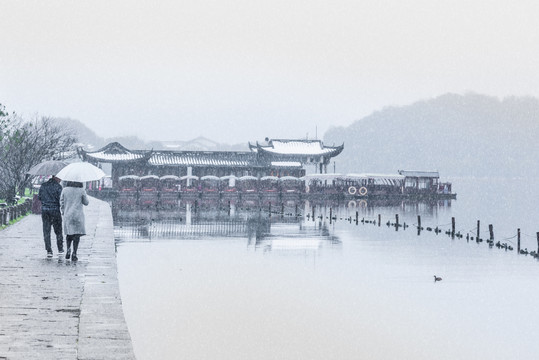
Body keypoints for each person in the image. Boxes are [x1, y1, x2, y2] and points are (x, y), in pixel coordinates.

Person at [60, 181, 89, 262]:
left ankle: (68, 249)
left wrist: (63, 211)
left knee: (69, 233)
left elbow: (61, 202)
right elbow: (86, 202)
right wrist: (84, 193)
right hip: (78, 215)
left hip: (68, 215)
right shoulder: (81, 190)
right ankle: (74, 253)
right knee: (77, 234)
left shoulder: (65, 190)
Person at [38, 175, 64, 257]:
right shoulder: (58, 187)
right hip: (55, 210)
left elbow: (39, 197)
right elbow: (61, 199)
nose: (60, 179)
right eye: (60, 178)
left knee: (46, 231)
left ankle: (49, 250)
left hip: (45, 210)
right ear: (56, 177)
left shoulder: (43, 185)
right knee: (58, 230)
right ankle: (60, 248)